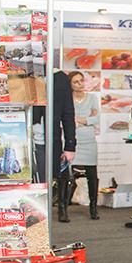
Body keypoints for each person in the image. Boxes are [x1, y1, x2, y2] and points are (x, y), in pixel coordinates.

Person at [59, 71, 100, 221]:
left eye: (81, 80)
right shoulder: (66, 98)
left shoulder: (92, 98)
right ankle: (62, 209)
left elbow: (96, 118)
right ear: (70, 84)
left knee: (92, 176)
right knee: (65, 176)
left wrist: (77, 120)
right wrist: (84, 119)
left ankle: (93, 208)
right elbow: (63, 118)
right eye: (76, 82)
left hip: (88, 141)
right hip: (71, 141)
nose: (80, 84)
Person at [33, 69, 76, 188]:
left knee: (45, 184)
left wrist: (70, 146)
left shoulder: (59, 78)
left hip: (46, 143)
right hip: (23, 139)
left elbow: (68, 114)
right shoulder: (23, 74)